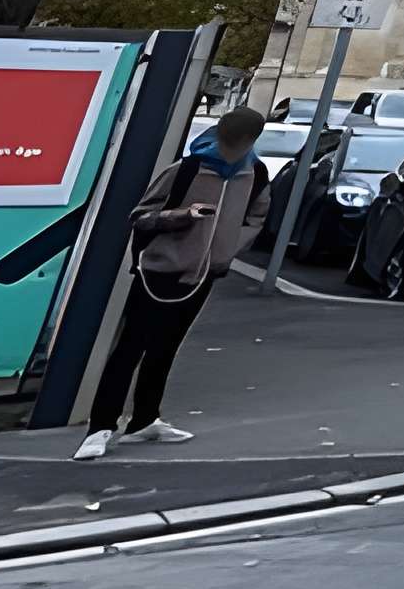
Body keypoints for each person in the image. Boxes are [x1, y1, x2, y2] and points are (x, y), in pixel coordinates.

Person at [76, 105, 273, 461]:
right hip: (161, 271)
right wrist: (181, 217)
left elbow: (256, 216)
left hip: (205, 273)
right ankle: (101, 426)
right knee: (130, 348)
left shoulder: (255, 174)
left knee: (166, 347)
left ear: (250, 142)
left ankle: (145, 419)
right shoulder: (187, 169)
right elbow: (141, 216)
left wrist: (227, 248)